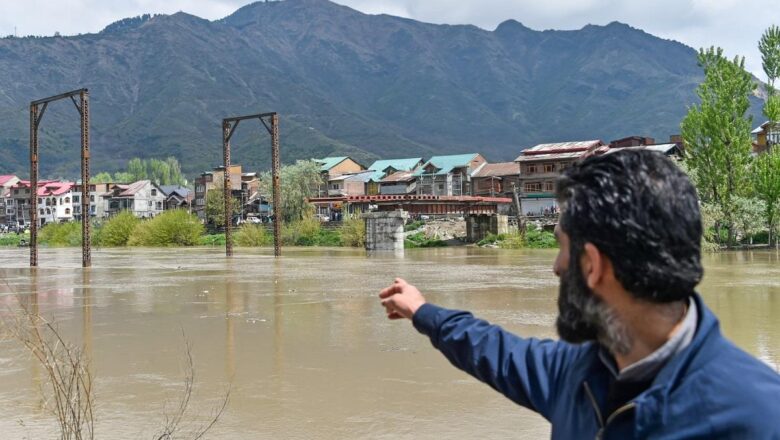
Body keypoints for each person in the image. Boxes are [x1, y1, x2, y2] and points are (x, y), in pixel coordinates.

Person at [379, 150, 780, 439]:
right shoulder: (580, 373)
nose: (555, 267)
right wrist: (421, 310)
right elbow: (491, 349)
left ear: (592, 265)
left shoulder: (759, 417)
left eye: (561, 248)